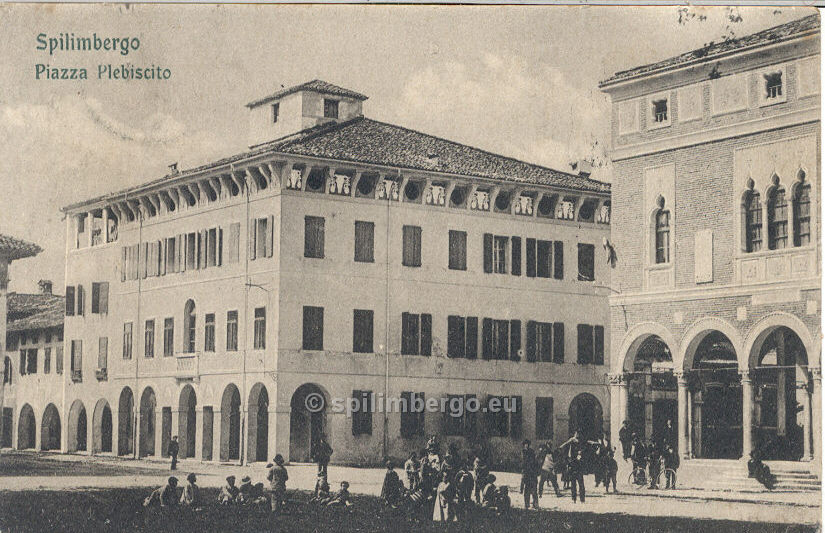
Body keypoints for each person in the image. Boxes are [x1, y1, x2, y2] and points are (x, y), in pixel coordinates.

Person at [520, 439, 539, 509]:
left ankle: (535, 504)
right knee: (527, 490)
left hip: (533, 473)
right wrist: (523, 473)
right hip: (527, 473)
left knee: (534, 490)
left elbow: (535, 462)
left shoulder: (532, 451)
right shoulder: (523, 452)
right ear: (524, 445)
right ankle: (527, 504)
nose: (526, 445)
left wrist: (536, 471)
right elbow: (523, 463)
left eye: (527, 444)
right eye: (525, 444)